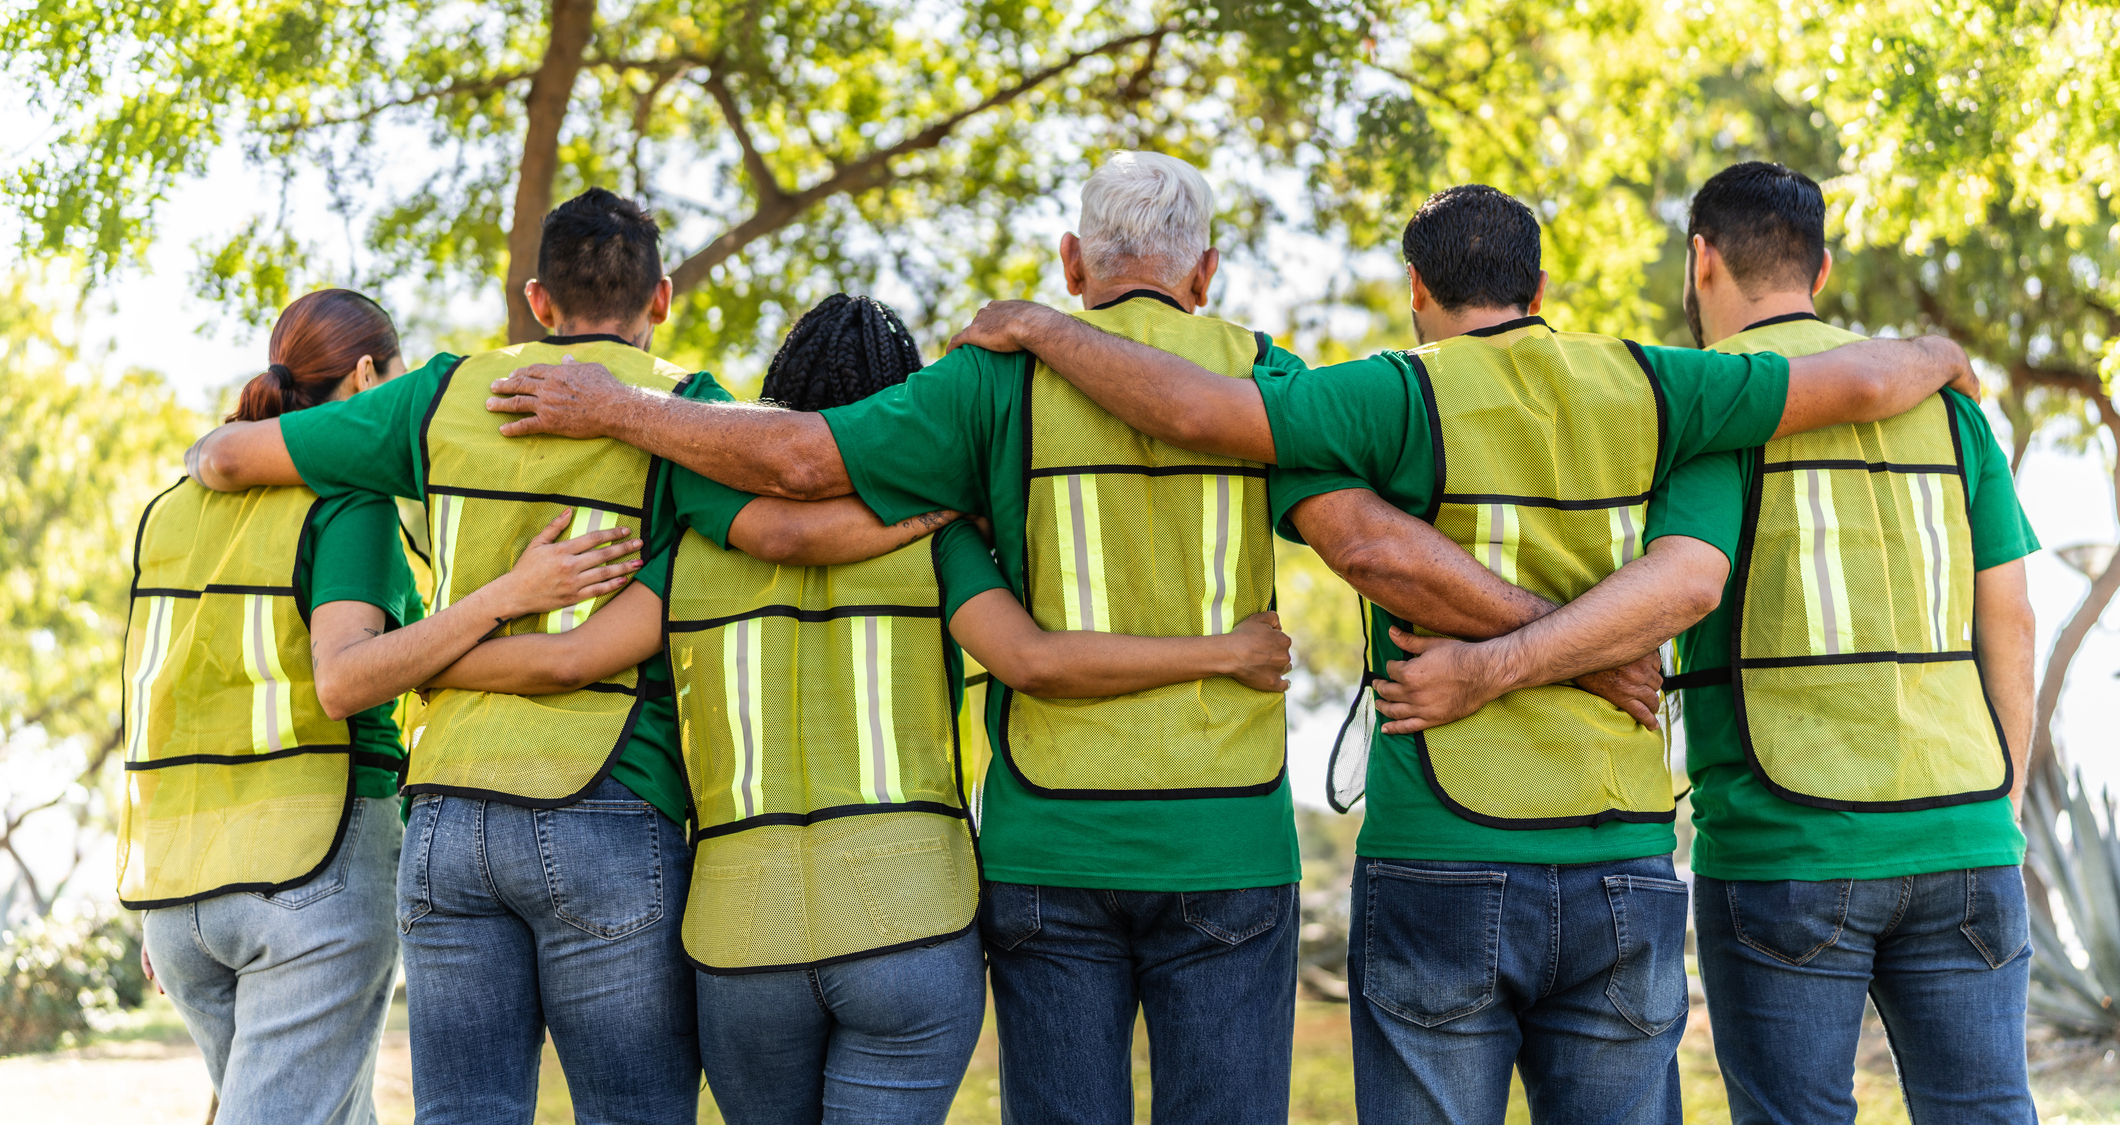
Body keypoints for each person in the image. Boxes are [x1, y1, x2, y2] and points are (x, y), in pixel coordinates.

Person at [482, 155, 1523, 1124]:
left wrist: (617, 405)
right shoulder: (1266, 379)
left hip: (1044, 852)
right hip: (1227, 843)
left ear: (1072, 266)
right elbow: (1374, 548)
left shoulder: (992, 385)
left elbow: (798, 462)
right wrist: (1550, 636)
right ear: (1204, 275)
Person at [942, 182, 1984, 1125]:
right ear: (1537, 285)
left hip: (1439, 841)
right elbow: (1850, 386)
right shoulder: (1653, 385)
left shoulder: (1387, 394)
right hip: (1615, 846)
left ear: (1414, 287)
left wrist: (1040, 323)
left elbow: (1194, 412)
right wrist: (1935, 355)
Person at [428, 293, 1296, 1125]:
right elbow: (1033, 659)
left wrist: (431, 658)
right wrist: (1225, 652)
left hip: (740, 940)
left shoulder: (695, 546)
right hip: (909, 925)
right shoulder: (943, 537)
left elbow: (569, 659)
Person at [184, 190, 716, 1123]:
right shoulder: (692, 415)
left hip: (448, 823)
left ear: (538, 300)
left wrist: (416, 659)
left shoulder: (440, 394)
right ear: (661, 299)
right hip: (609, 804)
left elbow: (227, 461)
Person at [124, 289, 616, 1124]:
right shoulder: (345, 497)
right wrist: (510, 593)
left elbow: (160, 699)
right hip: (310, 869)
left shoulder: (171, 511)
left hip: (180, 892)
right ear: (364, 378)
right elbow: (345, 680)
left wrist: (166, 900)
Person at [1642, 162, 2037, 1124]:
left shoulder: (1716, 411)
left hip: (1789, 845)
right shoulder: (1948, 411)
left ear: (1703, 262)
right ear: (1821, 270)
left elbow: (1676, 590)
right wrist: (2002, 803)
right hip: (1966, 828)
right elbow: (2012, 619)